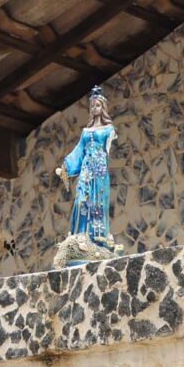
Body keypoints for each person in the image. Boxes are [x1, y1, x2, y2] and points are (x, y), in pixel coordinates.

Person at [57, 88, 117, 250]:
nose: (94, 108)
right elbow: (78, 150)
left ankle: (97, 237)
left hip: (99, 172)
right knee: (81, 200)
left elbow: (106, 151)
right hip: (86, 170)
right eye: (92, 106)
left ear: (102, 108)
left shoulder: (108, 130)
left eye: (97, 105)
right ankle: (81, 233)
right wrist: (67, 166)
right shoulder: (85, 131)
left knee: (97, 203)